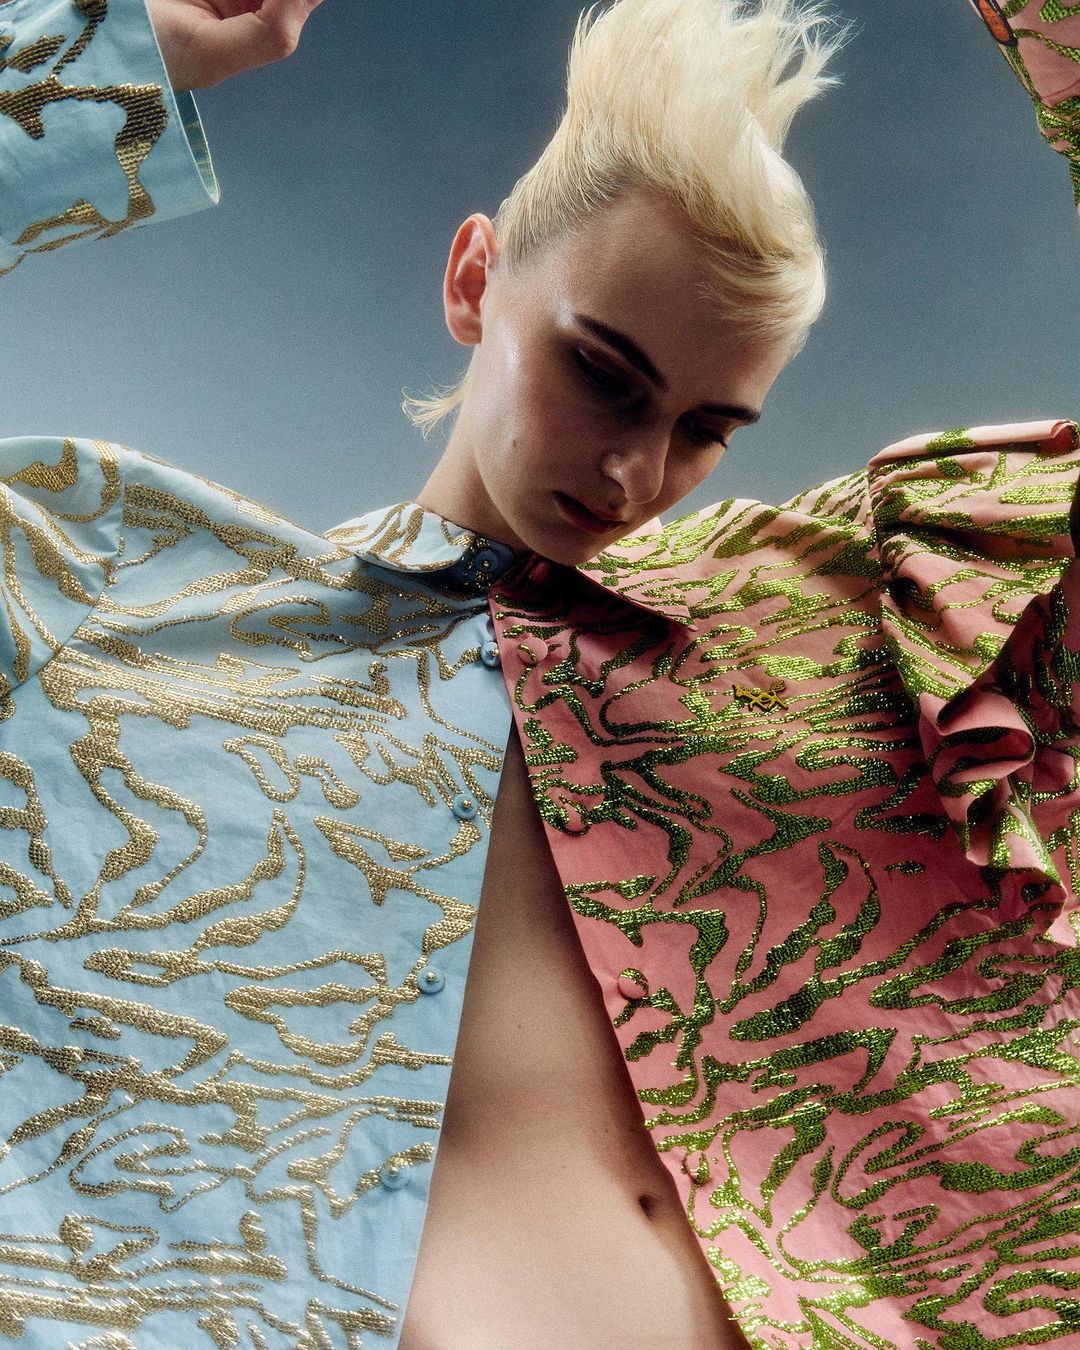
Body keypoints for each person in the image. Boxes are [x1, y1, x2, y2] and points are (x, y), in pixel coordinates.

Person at [0, 2, 1078, 1348]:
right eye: (603, 373)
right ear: (475, 280)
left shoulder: (837, 615)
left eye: (706, 428)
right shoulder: (118, 614)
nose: (634, 473)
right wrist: (97, 59)